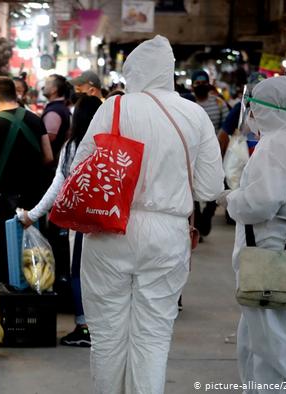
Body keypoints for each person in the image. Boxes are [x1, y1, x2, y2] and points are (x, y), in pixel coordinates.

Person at [72, 35, 224, 394]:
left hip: (111, 226)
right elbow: (209, 189)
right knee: (154, 337)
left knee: (108, 337)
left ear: (133, 72)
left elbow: (79, 170)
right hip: (168, 233)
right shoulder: (195, 114)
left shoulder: (115, 107)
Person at [219, 76, 286, 391]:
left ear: (265, 110)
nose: (250, 115)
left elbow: (262, 202)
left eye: (252, 108)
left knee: (273, 349)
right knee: (256, 340)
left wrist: (231, 199)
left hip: (272, 258)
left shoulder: (275, 145)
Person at [19, 95, 103, 347]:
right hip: (110, 222)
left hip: (82, 221)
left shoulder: (75, 145)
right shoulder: (109, 145)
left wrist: (33, 215)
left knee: (78, 272)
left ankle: (84, 327)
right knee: (103, 275)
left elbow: (59, 184)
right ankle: (103, 326)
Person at [0, 77, 54, 284]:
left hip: (5, 196)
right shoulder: (36, 120)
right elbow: (48, 157)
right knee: (33, 247)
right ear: (16, 94)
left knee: (5, 245)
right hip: (34, 196)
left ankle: (8, 287)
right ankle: (36, 283)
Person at [189, 70, 229, 238]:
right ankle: (197, 218)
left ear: (209, 83)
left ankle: (208, 214)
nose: (200, 85)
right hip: (193, 154)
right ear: (192, 85)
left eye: (203, 82)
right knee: (192, 186)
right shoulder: (188, 104)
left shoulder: (219, 103)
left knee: (216, 184)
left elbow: (226, 126)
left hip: (214, 153)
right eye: (197, 83)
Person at [42, 74, 73, 159]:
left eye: (47, 83)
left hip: (50, 163)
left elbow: (48, 139)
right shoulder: (60, 108)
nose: (44, 86)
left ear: (54, 90)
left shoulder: (54, 111)